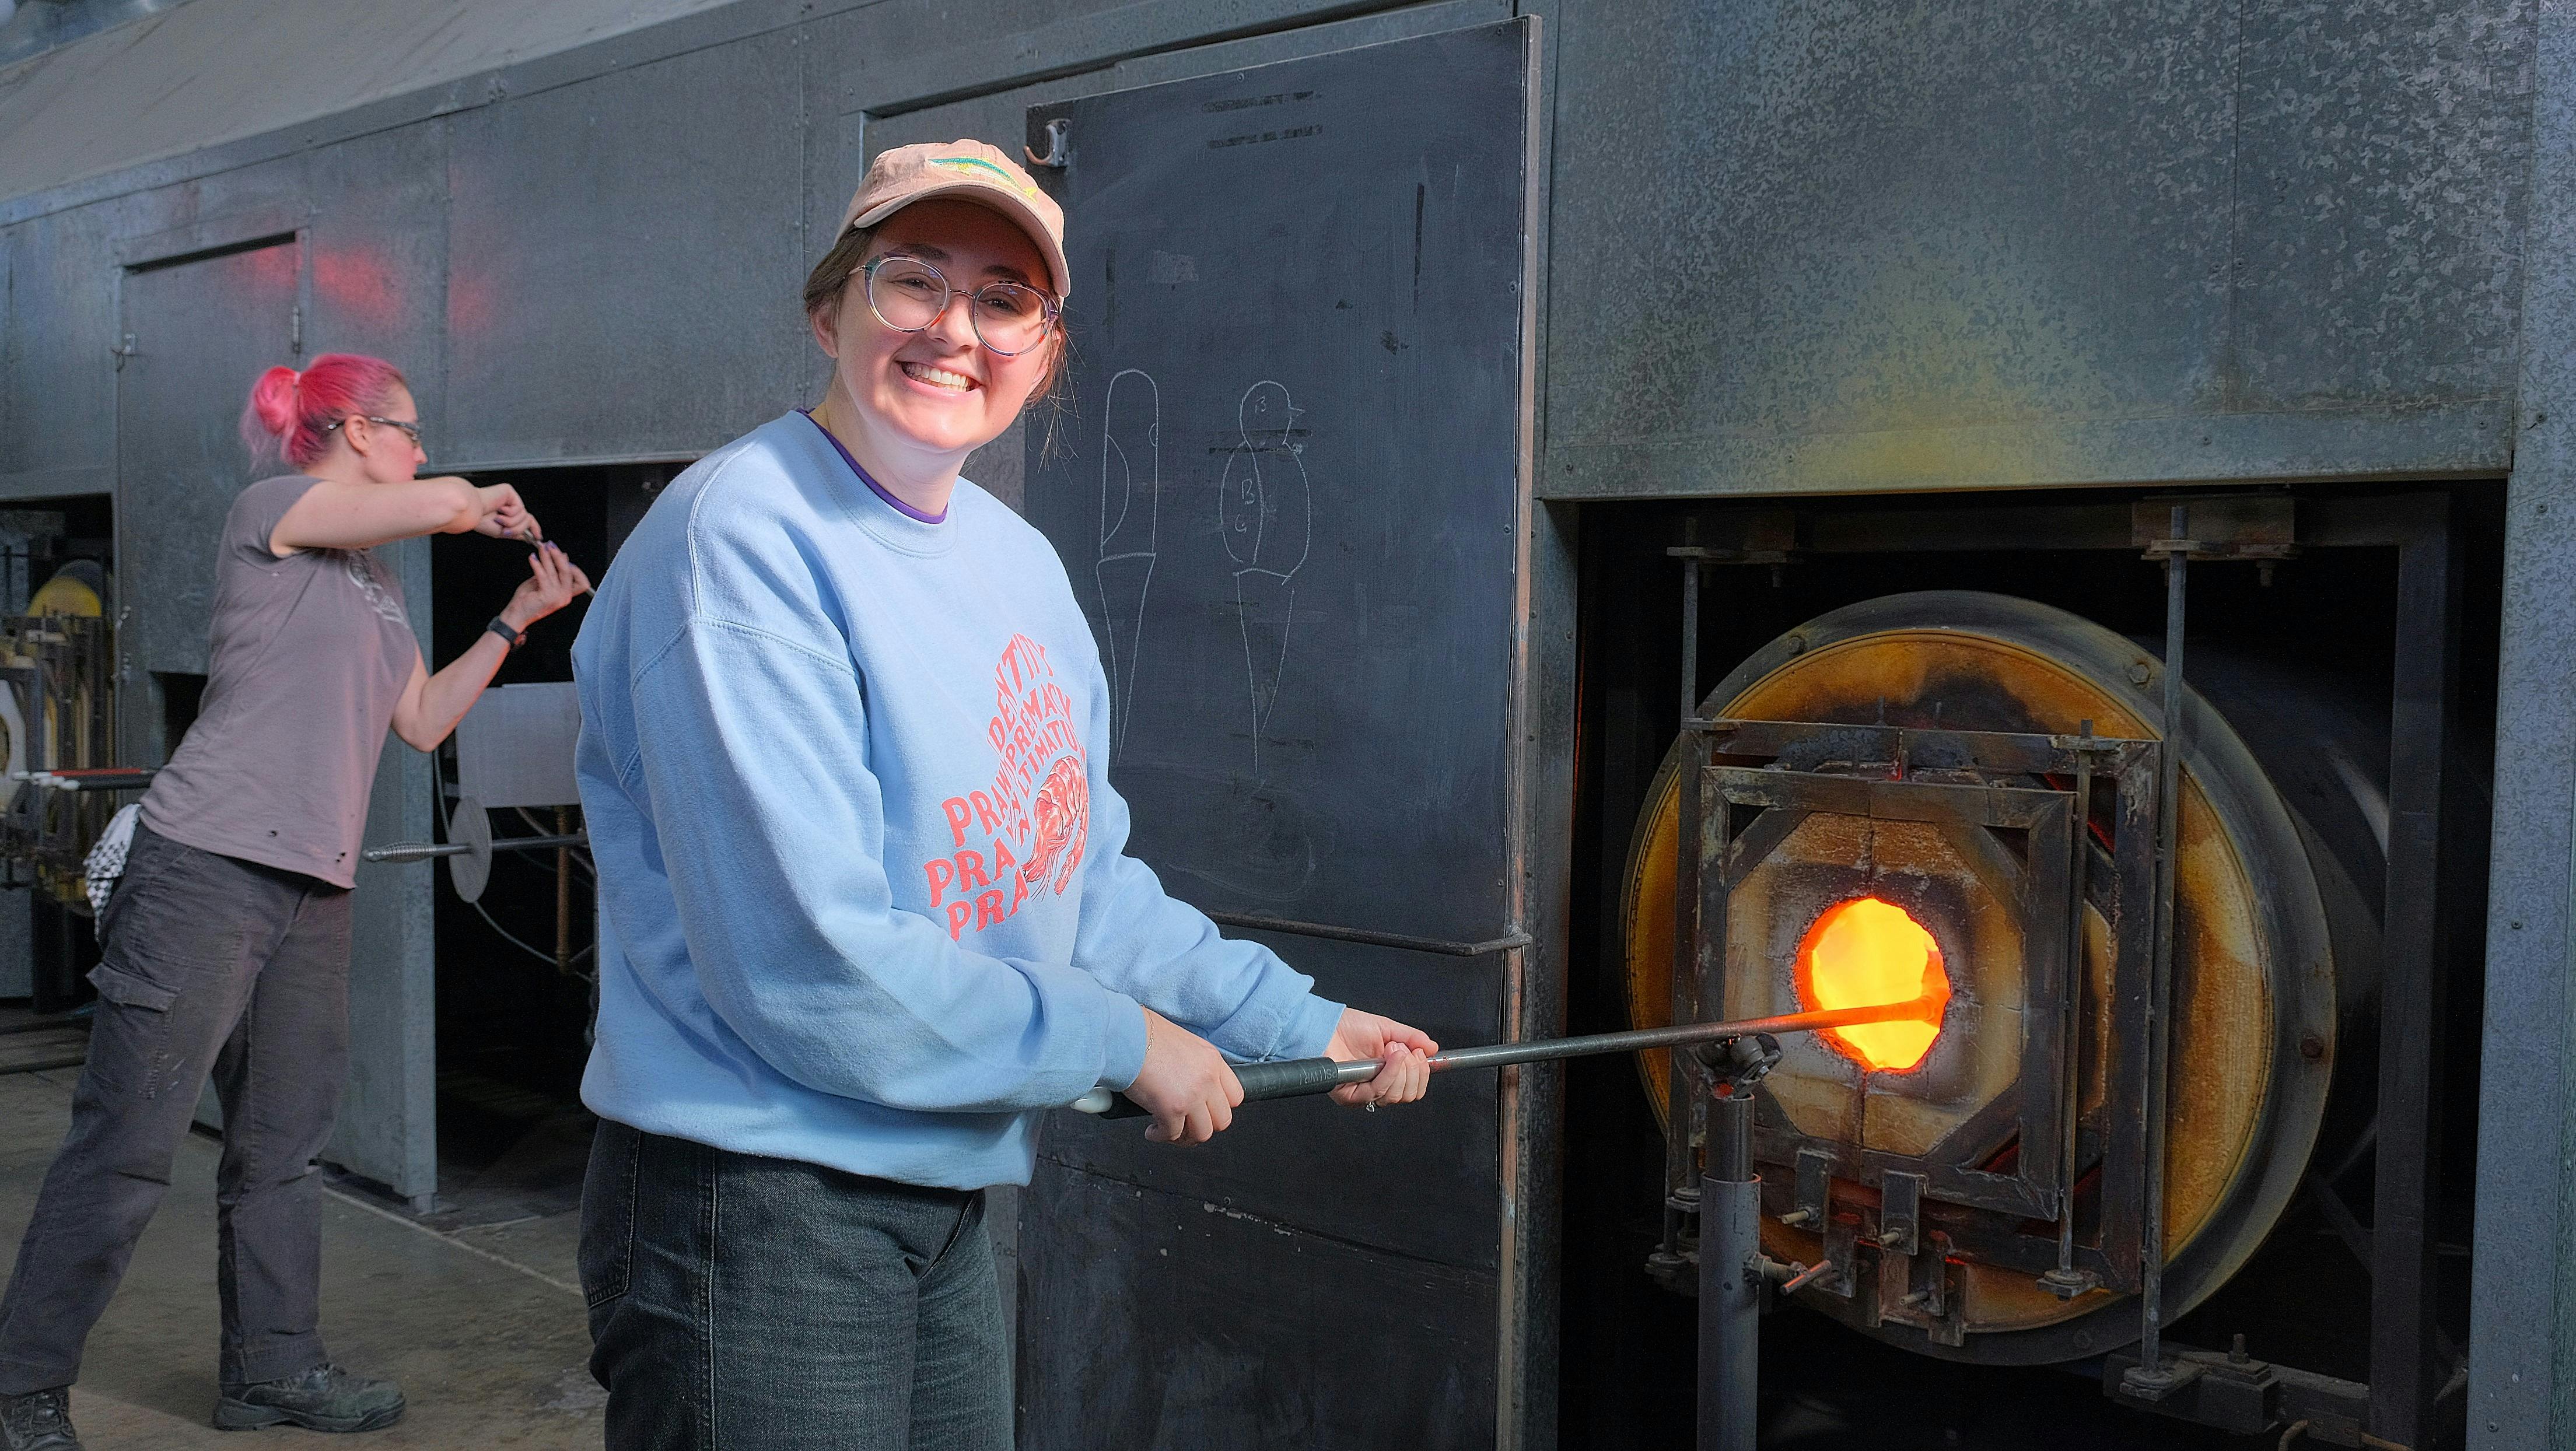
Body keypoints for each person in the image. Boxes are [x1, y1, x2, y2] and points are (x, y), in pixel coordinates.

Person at [572, 139, 1440, 1450]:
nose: (953, 328)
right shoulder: (742, 542)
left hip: (944, 1184)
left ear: (1044, 348)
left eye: (1003, 297)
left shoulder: (1017, 564)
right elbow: (809, 964)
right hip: (758, 1201)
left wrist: (1299, 1023)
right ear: (830, 309)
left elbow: (1074, 879)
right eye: (911, 279)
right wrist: (1121, 1040)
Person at [0, 353, 590, 1451]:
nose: (424, 450)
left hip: (313, 883)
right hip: (202, 869)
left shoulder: (375, 582)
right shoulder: (272, 511)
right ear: (358, 431)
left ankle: (270, 1370)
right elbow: (437, 500)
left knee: (282, 1147)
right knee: (128, 1142)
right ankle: (20, 1384)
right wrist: (470, 502)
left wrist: (516, 617)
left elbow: (419, 719)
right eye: (413, 430)